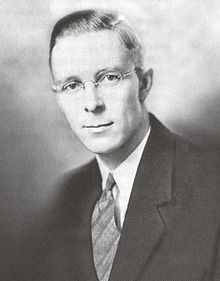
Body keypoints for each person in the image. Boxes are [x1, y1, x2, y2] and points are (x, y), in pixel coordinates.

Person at [11, 9, 220, 281]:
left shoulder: (211, 186)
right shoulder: (68, 197)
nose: (92, 103)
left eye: (109, 78)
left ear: (144, 85)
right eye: (72, 85)